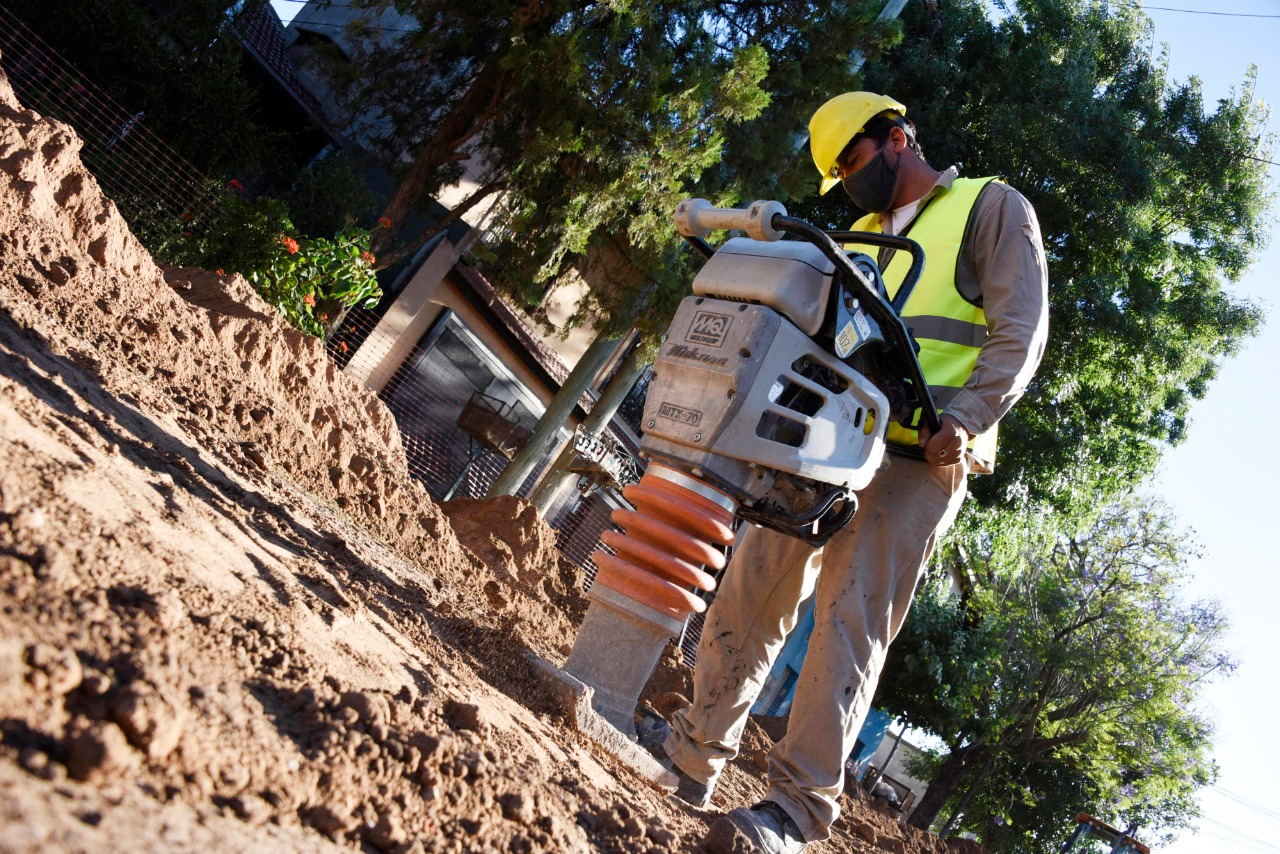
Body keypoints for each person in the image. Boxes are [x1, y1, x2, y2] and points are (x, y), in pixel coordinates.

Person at [655, 92, 1050, 853]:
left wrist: (965, 419)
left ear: (898, 137)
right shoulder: (855, 238)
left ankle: (795, 813)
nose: (847, 181)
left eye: (855, 162)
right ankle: (691, 756)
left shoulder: (986, 207)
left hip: (920, 455)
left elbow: (1021, 330)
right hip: (826, 439)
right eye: (836, 174)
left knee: (848, 621)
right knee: (752, 587)